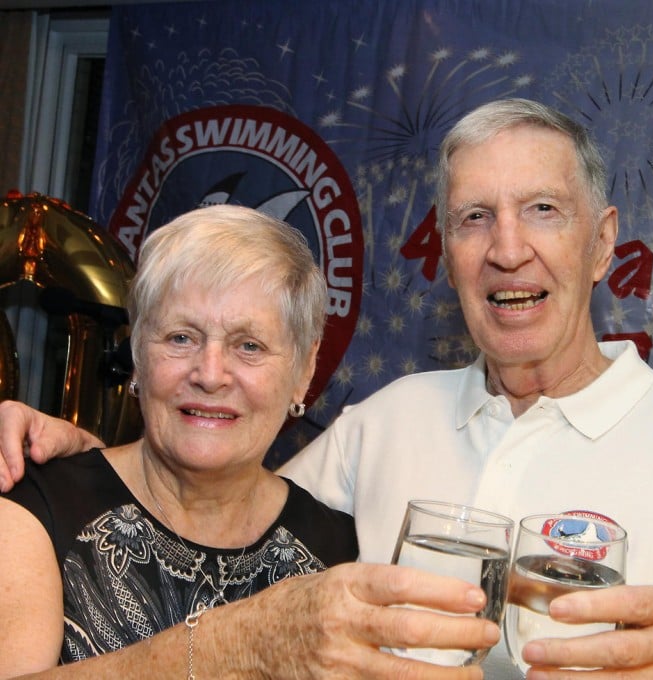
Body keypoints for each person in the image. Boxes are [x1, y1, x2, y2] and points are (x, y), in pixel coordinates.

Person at [0, 99, 653, 679]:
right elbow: (215, 496)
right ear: (446, 252)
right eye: (475, 218)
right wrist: (88, 461)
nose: (508, 249)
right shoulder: (388, 420)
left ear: (602, 244)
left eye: (543, 210)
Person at [0, 205, 498, 679]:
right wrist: (233, 644)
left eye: (249, 346)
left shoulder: (341, 552)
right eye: (180, 338)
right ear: (137, 353)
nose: (210, 373)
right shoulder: (34, 507)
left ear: (304, 371)